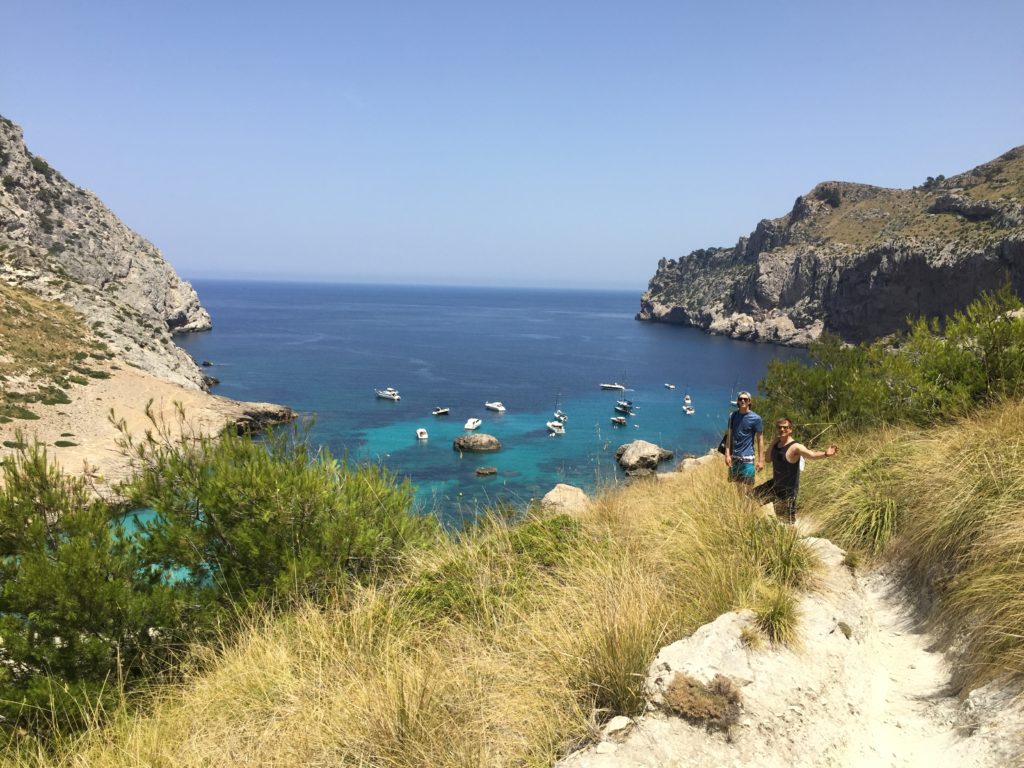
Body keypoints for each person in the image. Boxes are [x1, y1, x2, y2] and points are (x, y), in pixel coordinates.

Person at [756, 417, 839, 524]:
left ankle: (794, 539)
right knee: (751, 498)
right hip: (774, 486)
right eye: (779, 427)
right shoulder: (776, 445)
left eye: (785, 427)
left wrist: (825, 454)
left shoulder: (796, 447)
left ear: (790, 430)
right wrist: (773, 442)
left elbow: (812, 454)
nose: (782, 430)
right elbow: (767, 459)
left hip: (788, 491)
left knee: (786, 522)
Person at [724, 391, 763, 488]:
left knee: (749, 487)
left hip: (748, 458)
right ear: (737, 401)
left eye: (745, 399)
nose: (743, 401)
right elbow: (729, 436)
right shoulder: (732, 416)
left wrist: (760, 460)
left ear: (749, 402)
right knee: (738, 488)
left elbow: (760, 439)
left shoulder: (756, 418)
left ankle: (748, 504)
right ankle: (741, 504)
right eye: (740, 399)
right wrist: (727, 454)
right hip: (735, 457)